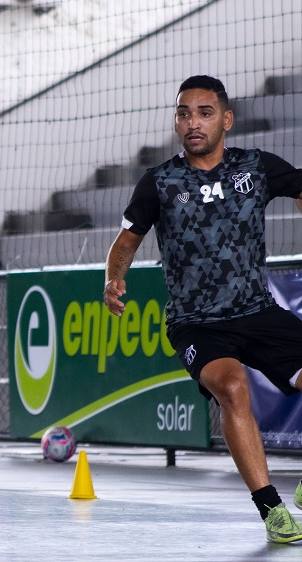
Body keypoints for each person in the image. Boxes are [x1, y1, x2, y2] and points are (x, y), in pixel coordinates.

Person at [104, 75, 302, 543]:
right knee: (233, 387)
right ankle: (272, 510)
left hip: (257, 311)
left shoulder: (256, 168)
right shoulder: (160, 182)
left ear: (226, 120)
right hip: (197, 325)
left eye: (204, 112)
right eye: (183, 113)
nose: (192, 122)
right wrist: (113, 279)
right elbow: (125, 243)